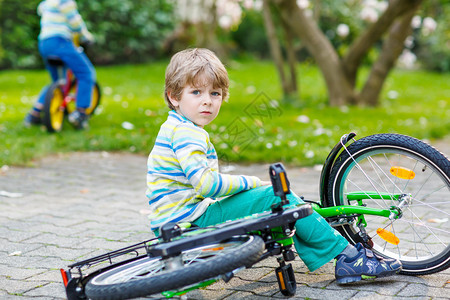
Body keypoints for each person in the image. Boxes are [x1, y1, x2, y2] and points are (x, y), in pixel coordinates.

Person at [146, 48, 402, 284]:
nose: (207, 101)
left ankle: (334, 249)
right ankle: (348, 257)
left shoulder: (176, 127)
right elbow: (207, 184)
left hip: (174, 219)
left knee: (275, 200)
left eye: (215, 93)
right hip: (190, 221)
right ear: (174, 96)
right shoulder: (187, 134)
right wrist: (252, 183)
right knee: (277, 197)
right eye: (196, 92)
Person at [24, 0, 96, 130]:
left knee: (58, 81)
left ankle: (34, 114)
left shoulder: (46, 3)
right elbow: (76, 23)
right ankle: (80, 114)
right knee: (86, 73)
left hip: (45, 44)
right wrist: (86, 37)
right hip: (60, 41)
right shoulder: (64, 1)